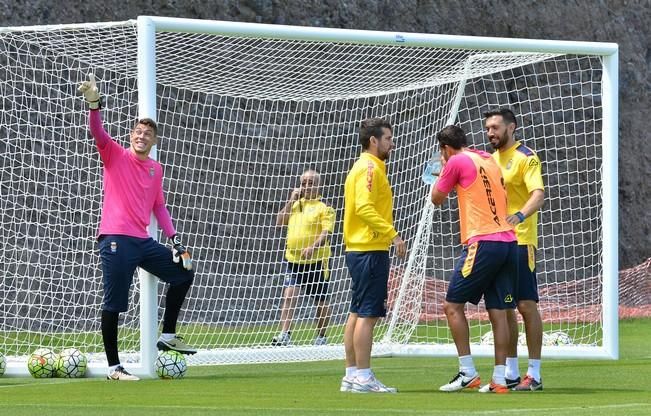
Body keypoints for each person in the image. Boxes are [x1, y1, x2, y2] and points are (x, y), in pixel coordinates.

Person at [79, 74, 196, 381]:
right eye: (138, 131)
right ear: (132, 136)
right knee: (115, 303)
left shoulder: (156, 169)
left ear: (154, 141)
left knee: (183, 273)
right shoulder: (115, 154)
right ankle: (114, 368)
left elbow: (159, 206)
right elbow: (98, 133)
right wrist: (94, 103)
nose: (142, 136)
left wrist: (175, 240)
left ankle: (168, 335)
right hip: (116, 239)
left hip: (143, 241)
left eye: (148, 133)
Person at [431, 125, 517, 394]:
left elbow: (436, 198)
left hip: (483, 242)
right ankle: (500, 379)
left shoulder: (454, 160)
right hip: (508, 241)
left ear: (445, 148)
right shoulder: (486, 157)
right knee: (498, 311)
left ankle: (468, 372)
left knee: (452, 306)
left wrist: (441, 170)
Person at [340, 117, 407, 394]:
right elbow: (365, 208)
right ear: (374, 141)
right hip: (369, 250)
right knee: (368, 314)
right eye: (388, 139)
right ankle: (364, 377)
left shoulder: (368, 166)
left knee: (357, 313)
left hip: (360, 250)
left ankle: (352, 375)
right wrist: (392, 234)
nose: (392, 143)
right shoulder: (369, 168)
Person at [484, 108, 545, 391]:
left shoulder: (526, 158)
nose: (490, 133)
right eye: (487, 128)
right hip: (497, 244)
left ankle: (534, 374)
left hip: (520, 241)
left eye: (495, 127)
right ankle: (510, 372)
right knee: (504, 307)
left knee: (525, 306)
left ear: (512, 128)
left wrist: (520, 216)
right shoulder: (490, 160)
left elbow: (538, 194)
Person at [271, 169, 335, 346]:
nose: (307, 186)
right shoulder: (294, 205)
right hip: (293, 261)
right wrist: (291, 199)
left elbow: (325, 233)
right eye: (304, 182)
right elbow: (279, 222)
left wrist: (312, 247)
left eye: (311, 182)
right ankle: (285, 335)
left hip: (316, 262)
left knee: (320, 301)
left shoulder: (324, 207)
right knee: (289, 295)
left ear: (318, 185)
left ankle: (321, 337)